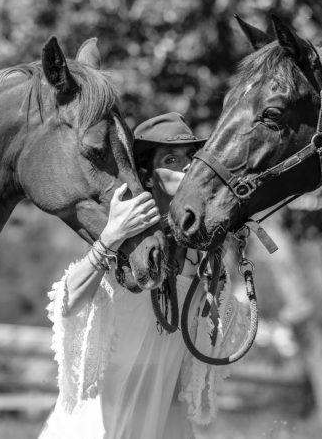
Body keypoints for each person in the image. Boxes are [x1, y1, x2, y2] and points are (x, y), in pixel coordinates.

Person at [39, 112, 248, 439]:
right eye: (171, 159)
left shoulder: (200, 257)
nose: (187, 166)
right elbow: (68, 302)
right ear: (148, 177)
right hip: (91, 429)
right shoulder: (125, 240)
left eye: (191, 158)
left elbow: (177, 369)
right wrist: (110, 237)